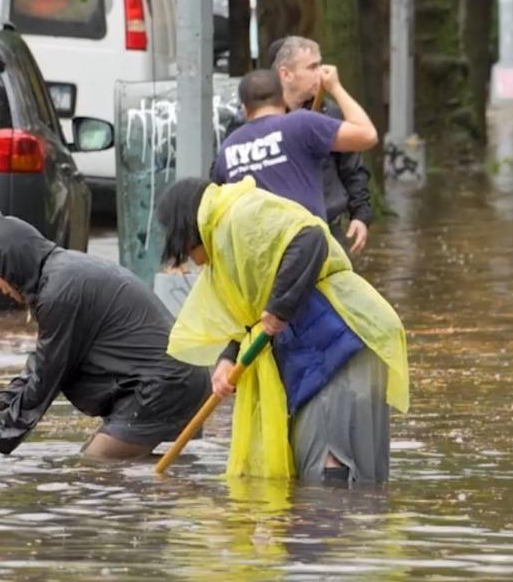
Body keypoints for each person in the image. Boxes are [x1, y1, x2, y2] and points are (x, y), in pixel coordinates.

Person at [154, 177, 409, 483]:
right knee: (314, 466)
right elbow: (251, 312)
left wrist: (279, 306)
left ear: (186, 230)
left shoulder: (241, 213)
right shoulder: (224, 248)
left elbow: (310, 238)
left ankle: (336, 513)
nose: (189, 261)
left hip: (342, 342)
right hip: (314, 353)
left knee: (329, 460)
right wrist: (228, 359)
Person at [0, 215, 210, 460]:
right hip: (167, 381)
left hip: (166, 385)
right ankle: (185, 484)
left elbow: (48, 375)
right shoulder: (61, 275)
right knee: (107, 463)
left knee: (98, 464)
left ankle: (191, 484)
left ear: (12, 265)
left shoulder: (59, 293)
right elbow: (46, 363)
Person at [227, 36, 376, 254]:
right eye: (312, 67)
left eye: (320, 64)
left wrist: (361, 213)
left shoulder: (327, 114)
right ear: (285, 74)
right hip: (270, 236)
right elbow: (225, 181)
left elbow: (352, 167)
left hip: (326, 227)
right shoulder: (247, 124)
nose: (322, 73)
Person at [212, 68, 377, 221]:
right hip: (304, 238)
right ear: (283, 100)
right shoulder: (301, 123)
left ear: (245, 109)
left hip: (253, 241)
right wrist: (335, 87)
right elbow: (367, 135)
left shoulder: (227, 149)